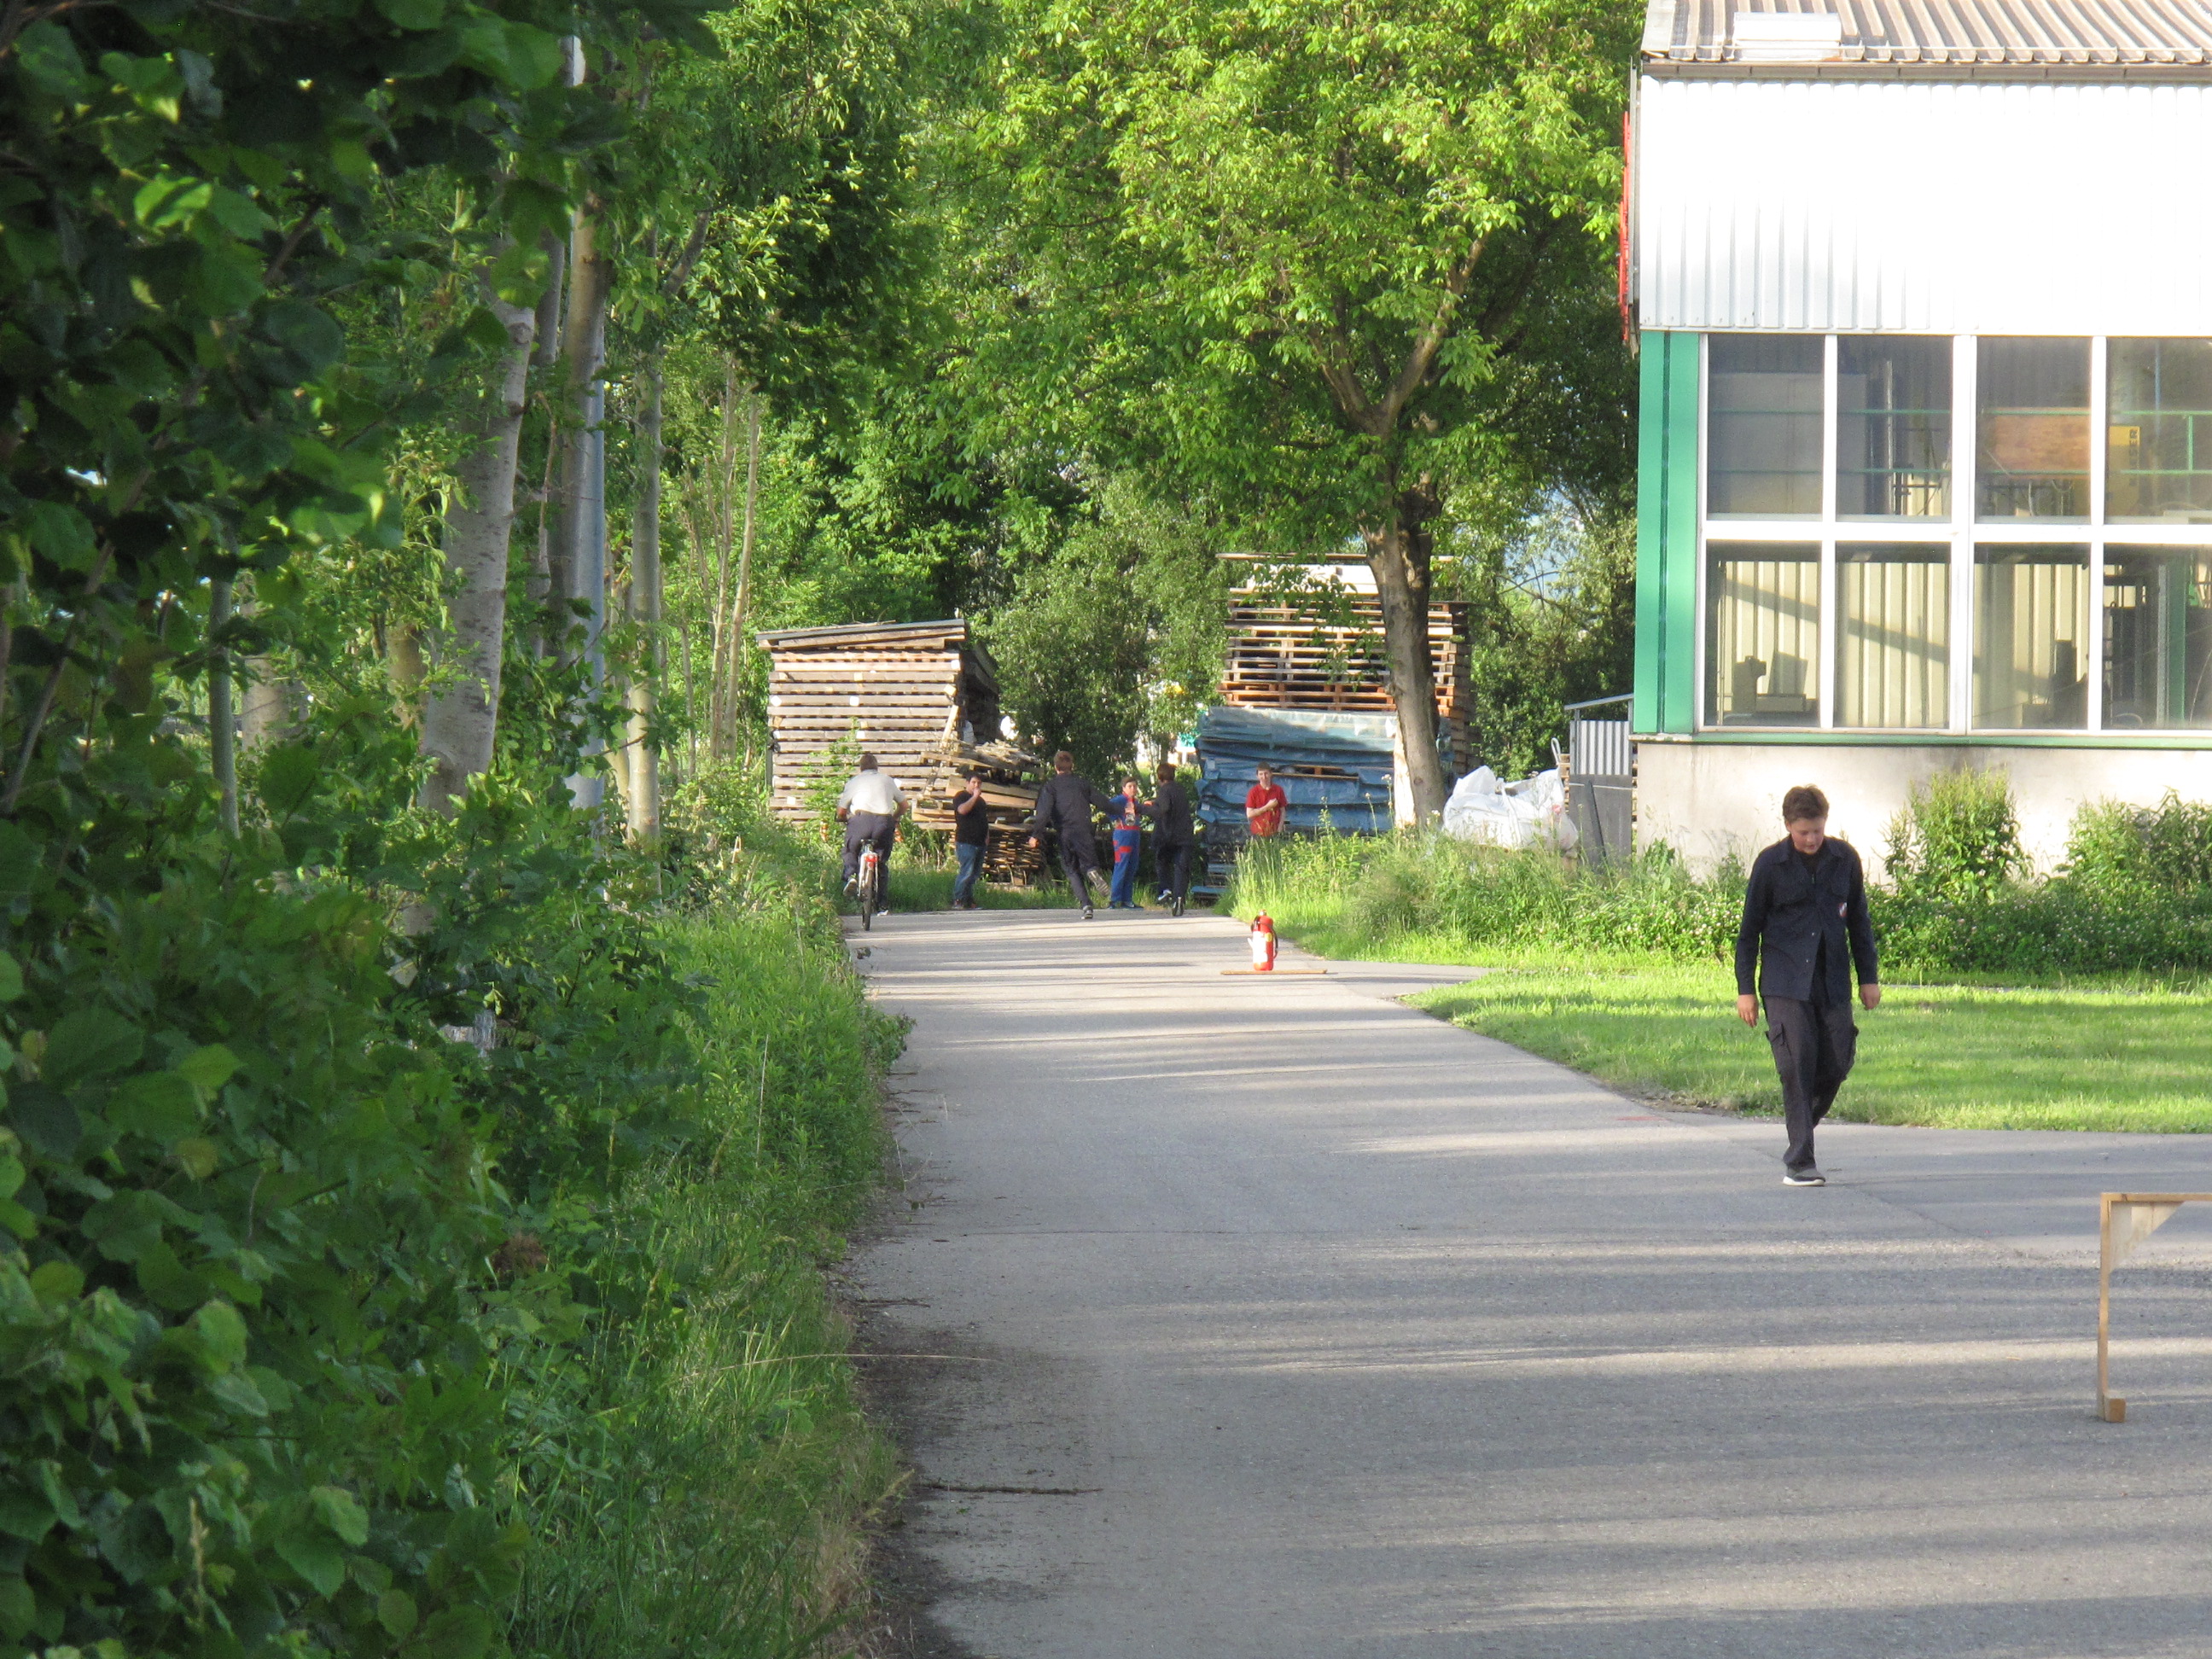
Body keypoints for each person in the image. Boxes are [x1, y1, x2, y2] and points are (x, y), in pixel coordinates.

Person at [1735, 784, 1880, 1186]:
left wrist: (1868, 978)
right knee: (1796, 1066)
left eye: (1817, 830)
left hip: (1832, 978)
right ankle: (1800, 1162)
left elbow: (1859, 923)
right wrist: (1745, 990)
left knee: (1837, 1060)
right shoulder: (1770, 865)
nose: (1812, 839)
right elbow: (1749, 932)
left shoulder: (1844, 860)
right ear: (1787, 826)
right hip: (1784, 981)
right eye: (1803, 832)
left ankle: (1800, 1126)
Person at [1027, 750, 1115, 919]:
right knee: (1088, 865)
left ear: (1055, 767)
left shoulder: (1051, 787)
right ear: (1072, 766)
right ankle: (1092, 871)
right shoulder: (1082, 784)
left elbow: (1044, 813)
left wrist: (1036, 834)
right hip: (1084, 830)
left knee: (1071, 869)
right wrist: (1122, 810)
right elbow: (1103, 803)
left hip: (1065, 832)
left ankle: (1086, 905)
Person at [835, 753, 905, 911]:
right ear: (876, 766)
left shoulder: (854, 782)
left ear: (861, 767)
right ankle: (882, 905)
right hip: (884, 823)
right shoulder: (887, 780)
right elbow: (904, 805)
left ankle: (851, 876)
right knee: (880, 862)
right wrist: (894, 818)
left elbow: (841, 810)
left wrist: (843, 818)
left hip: (861, 822)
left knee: (850, 850)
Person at [1142, 761, 1195, 914]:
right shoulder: (1180, 789)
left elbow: (1164, 808)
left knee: (1162, 862)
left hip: (1169, 836)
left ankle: (1166, 889)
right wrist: (1156, 802)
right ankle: (1179, 898)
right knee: (1181, 868)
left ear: (1159, 777)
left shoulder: (1164, 790)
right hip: (1185, 835)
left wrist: (1146, 808)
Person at [951, 771, 990, 911]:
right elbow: (962, 810)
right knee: (966, 872)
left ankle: (968, 900)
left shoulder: (981, 802)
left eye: (979, 783)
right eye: (973, 782)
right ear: (967, 783)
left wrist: (987, 836)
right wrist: (974, 797)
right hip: (966, 841)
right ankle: (958, 900)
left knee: (974, 874)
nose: (976, 785)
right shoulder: (961, 796)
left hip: (980, 842)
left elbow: (984, 819)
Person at [1105, 777, 1144, 909]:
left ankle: (1127, 899)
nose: (1133, 789)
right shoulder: (1121, 800)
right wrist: (1115, 818)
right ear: (1124, 788)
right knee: (1121, 866)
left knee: (1132, 867)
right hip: (1123, 835)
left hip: (1134, 835)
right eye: (1130, 786)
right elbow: (1107, 806)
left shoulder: (1135, 802)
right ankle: (1114, 899)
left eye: (1135, 786)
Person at [1245, 765, 1288, 840]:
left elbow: (1283, 811)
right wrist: (1268, 807)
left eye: (1266, 773)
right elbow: (1249, 814)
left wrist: (1280, 828)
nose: (1264, 777)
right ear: (1257, 776)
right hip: (1258, 832)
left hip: (1275, 832)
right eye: (1261, 774)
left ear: (1271, 774)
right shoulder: (1253, 792)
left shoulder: (1278, 790)